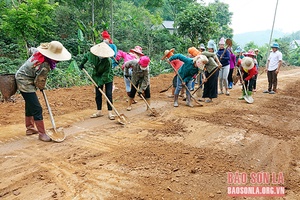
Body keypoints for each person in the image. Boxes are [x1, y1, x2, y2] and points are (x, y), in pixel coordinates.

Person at [15, 41, 71, 142]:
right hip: (24, 81)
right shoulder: (44, 65)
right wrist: (41, 86)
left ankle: (30, 128)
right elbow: (39, 81)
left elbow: (31, 50)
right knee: (37, 108)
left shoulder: (39, 52)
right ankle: (42, 134)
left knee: (30, 104)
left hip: (26, 76)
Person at [79, 42, 116, 120]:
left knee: (108, 94)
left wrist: (100, 83)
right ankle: (99, 111)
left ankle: (110, 112)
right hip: (96, 76)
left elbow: (106, 74)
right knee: (98, 94)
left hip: (108, 77)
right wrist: (82, 64)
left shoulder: (108, 61)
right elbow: (86, 56)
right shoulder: (92, 55)